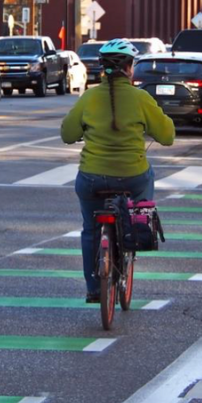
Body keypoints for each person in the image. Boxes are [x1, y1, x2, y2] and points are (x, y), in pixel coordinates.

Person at [60, 39, 175, 303]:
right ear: (128, 68)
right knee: (148, 176)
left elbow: (67, 134)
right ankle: (138, 225)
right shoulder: (140, 97)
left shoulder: (88, 97)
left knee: (90, 229)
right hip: (133, 177)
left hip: (91, 178)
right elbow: (167, 136)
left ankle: (93, 287)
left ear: (102, 69)